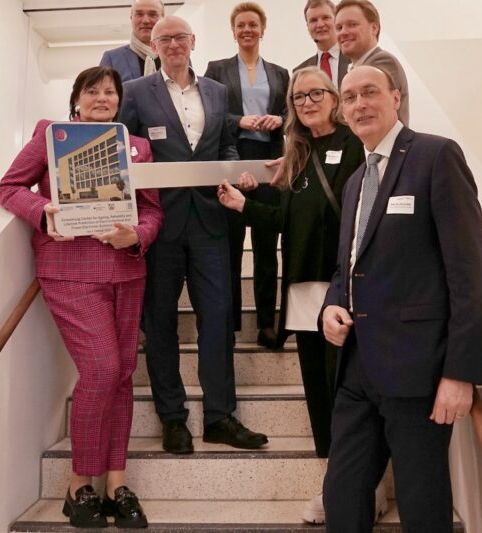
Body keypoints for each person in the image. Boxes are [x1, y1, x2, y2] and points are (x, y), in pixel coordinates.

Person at [320, 65, 482, 532]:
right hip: (357, 369)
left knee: (423, 505)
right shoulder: (355, 181)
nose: (359, 104)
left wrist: (460, 371)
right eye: (349, 97)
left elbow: (469, 272)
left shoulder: (436, 156)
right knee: (342, 496)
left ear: (396, 98)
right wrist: (332, 304)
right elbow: (347, 267)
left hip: (419, 373)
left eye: (369, 92)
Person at [0, 66, 163, 529]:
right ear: (77, 100)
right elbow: (7, 188)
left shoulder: (137, 146)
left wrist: (137, 235)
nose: (103, 98)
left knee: (124, 374)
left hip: (127, 270)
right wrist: (43, 209)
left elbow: (151, 211)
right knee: (103, 368)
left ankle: (116, 483)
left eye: (111, 92)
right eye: (94, 91)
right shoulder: (51, 135)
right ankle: (78, 484)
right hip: (69, 271)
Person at [217, 66, 370, 523]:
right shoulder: (296, 155)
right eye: (299, 98)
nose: (306, 103)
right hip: (304, 294)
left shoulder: (356, 144)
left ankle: (363, 485)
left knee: (348, 392)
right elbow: (282, 219)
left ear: (334, 97)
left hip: (347, 290)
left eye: (315, 94)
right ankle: (332, 484)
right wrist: (246, 206)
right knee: (319, 395)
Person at [119, 15, 268, 455]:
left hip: (210, 221)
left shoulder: (218, 92)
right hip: (159, 224)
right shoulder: (134, 93)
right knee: (160, 322)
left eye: (180, 37)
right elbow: (127, 150)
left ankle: (220, 417)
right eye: (164, 38)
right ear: (154, 45)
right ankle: (173, 418)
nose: (172, 44)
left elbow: (225, 144)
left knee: (218, 319)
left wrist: (233, 169)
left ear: (193, 41)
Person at [204, 2, 289, 349]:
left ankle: (267, 324)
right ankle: (230, 323)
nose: (247, 30)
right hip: (233, 158)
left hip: (270, 162)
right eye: (241, 25)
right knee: (231, 247)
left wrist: (280, 120)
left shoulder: (281, 73)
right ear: (233, 30)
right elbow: (210, 114)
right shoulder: (217, 69)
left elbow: (290, 112)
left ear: (263, 29)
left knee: (268, 247)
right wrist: (238, 120)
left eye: (253, 24)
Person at [334, 0, 410, 126]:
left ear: (374, 28)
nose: (343, 32)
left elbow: (345, 114)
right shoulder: (352, 68)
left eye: (352, 24)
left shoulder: (384, 62)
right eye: (339, 28)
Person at [100, 0, 164, 82]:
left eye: (152, 14)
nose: (145, 21)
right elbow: (102, 92)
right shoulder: (112, 58)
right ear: (131, 18)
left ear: (162, 19)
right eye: (139, 14)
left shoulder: (175, 56)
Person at [294, 0, 350, 89]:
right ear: (307, 27)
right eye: (313, 20)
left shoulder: (356, 60)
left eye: (325, 18)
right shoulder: (300, 72)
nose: (320, 24)